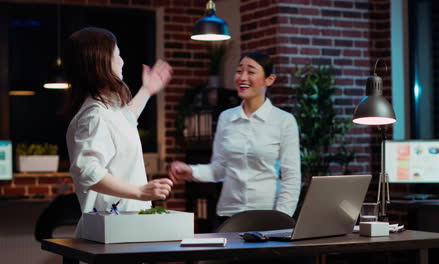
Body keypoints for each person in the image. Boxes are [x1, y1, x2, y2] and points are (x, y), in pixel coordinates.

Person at [168, 51, 301, 227]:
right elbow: (220, 169)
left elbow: (291, 178)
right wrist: (191, 171)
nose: (242, 77)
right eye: (239, 71)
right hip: (229, 216)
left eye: (251, 72)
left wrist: (280, 219)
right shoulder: (226, 118)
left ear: (269, 79)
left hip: (268, 216)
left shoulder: (284, 121)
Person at [64, 27, 173, 237]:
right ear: (100, 62)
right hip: (111, 233)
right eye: (117, 55)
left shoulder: (107, 111)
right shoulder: (94, 115)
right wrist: (139, 191)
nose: (122, 61)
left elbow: (125, 122)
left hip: (124, 229)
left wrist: (147, 90)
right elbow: (88, 171)